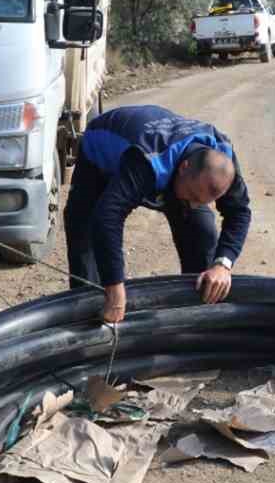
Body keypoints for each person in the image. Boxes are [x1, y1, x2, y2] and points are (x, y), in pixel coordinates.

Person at [64, 104, 252, 323]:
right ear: (184, 167)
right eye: (192, 196)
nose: (192, 205)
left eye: (201, 201)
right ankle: (88, 323)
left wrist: (222, 265)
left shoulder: (222, 163)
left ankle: (196, 320)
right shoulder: (147, 160)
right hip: (102, 157)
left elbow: (239, 213)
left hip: (172, 170)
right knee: (84, 233)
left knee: (201, 230)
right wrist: (115, 288)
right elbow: (108, 217)